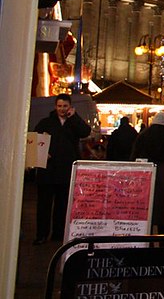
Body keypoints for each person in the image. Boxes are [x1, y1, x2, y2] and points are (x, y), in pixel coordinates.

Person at [32, 93, 91, 245]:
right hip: (48, 170)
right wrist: (42, 154)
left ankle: (58, 234)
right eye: (59, 106)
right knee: (44, 204)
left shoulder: (73, 122)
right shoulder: (46, 122)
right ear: (55, 107)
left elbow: (85, 131)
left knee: (62, 204)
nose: (62, 109)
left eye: (65, 106)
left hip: (65, 171)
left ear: (70, 107)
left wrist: (74, 117)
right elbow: (34, 140)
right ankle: (41, 234)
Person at [132, 111, 164, 234]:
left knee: (147, 210)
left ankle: (147, 242)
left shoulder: (143, 135)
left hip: (145, 173)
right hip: (162, 174)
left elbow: (135, 154)